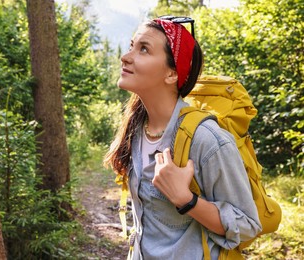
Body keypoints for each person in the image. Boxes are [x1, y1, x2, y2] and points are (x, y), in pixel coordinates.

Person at [103, 17, 261, 259]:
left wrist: (186, 199)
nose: (126, 56)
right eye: (131, 45)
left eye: (143, 49)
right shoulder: (135, 130)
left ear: (171, 74)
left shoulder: (208, 140)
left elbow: (248, 225)